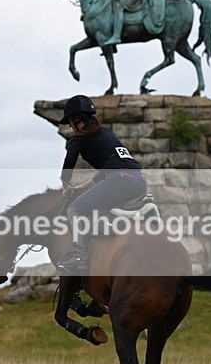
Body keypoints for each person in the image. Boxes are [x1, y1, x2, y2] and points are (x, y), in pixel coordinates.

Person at [57, 95, 147, 275]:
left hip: (121, 180)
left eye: (69, 121)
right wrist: (85, 185)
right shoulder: (105, 133)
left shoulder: (78, 140)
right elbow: (114, 165)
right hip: (140, 181)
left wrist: (65, 186)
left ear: (76, 120)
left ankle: (80, 258)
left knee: (74, 210)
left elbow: (69, 161)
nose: (69, 126)